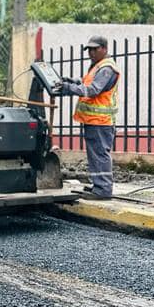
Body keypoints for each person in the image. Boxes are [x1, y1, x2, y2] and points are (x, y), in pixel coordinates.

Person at [59, 35, 120, 199]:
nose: (91, 52)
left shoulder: (107, 68)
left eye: (95, 49)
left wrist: (68, 87)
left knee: (100, 154)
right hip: (94, 121)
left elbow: (92, 90)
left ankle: (103, 190)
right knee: (95, 154)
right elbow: (85, 81)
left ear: (104, 49)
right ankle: (98, 185)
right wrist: (71, 81)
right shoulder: (97, 66)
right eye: (89, 49)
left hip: (100, 121)